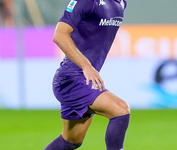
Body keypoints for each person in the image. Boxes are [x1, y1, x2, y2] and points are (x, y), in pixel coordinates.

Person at [44, 0, 130, 149]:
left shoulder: (121, 3)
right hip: (71, 79)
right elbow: (59, 35)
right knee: (120, 110)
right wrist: (86, 65)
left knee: (71, 141)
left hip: (85, 79)